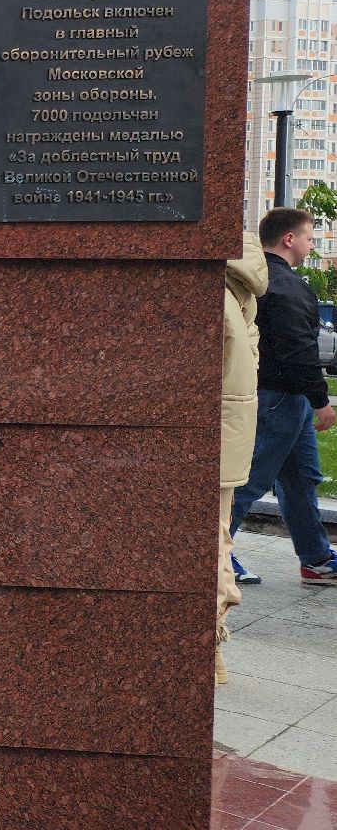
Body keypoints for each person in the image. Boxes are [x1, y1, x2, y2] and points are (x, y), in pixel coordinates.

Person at [229, 208, 337, 585]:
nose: (312, 246)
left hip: (282, 398)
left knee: (299, 478)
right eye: (309, 238)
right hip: (280, 399)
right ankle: (214, 557)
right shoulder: (287, 286)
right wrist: (321, 400)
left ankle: (317, 560)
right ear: (289, 239)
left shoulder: (258, 281)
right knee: (247, 481)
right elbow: (298, 350)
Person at [217, 234, 265, 684]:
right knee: (217, 544)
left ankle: (206, 656)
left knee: (211, 548)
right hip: (225, 448)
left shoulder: (214, 296)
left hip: (211, 446)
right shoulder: (238, 293)